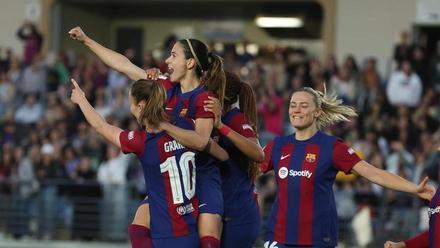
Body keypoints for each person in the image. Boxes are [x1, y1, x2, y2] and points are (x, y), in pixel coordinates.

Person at [69, 26, 227, 247]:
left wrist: (162, 125)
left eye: (173, 55)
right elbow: (124, 66)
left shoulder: (205, 99)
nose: (167, 61)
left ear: (190, 63)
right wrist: (87, 40)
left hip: (202, 176)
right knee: (137, 229)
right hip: (170, 179)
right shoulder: (164, 85)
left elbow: (201, 142)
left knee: (208, 240)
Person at [259, 87, 436, 248]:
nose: (296, 110)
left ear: (317, 112)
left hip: (318, 239)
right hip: (278, 238)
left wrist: (414, 188)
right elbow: (249, 170)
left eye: (303, 105)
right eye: (293, 105)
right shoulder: (277, 145)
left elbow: (374, 174)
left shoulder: (332, 147)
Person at [203, 71, 264, 247]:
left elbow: (258, 153)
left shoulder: (234, 118)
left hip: (236, 214)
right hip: (218, 211)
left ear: (218, 95)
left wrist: (221, 126)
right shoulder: (203, 119)